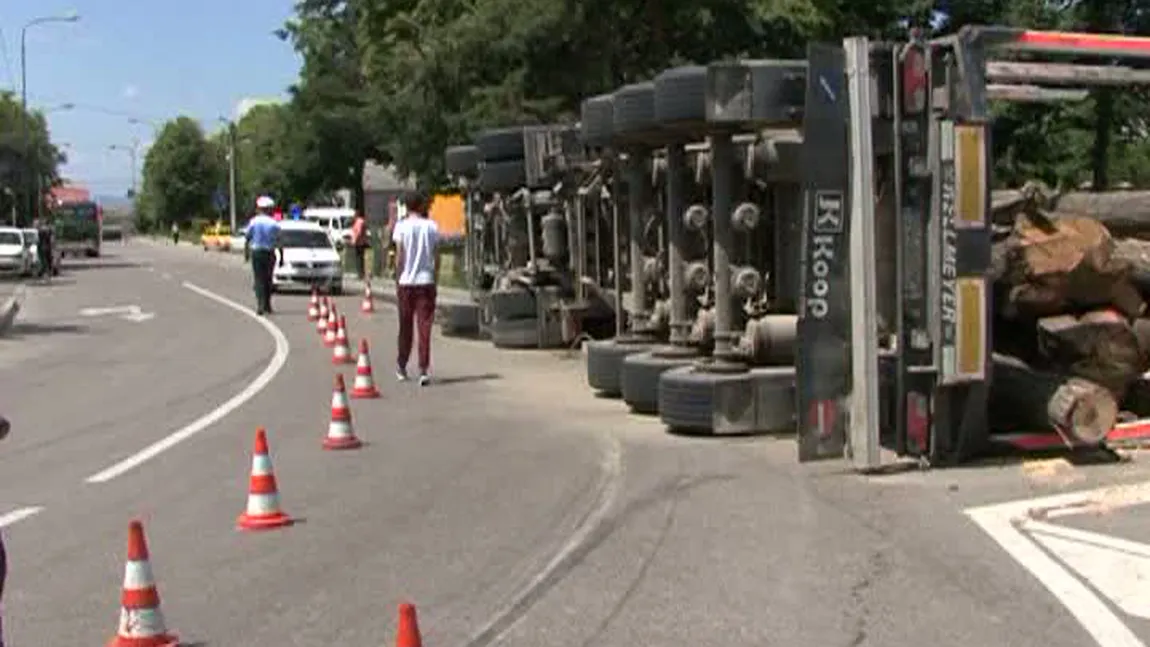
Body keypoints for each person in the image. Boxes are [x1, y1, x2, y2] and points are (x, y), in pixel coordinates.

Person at [392, 190, 440, 386]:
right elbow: (437, 256)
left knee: (405, 326)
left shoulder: (401, 227)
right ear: (421, 206)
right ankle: (423, 369)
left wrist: (397, 275)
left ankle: (402, 366)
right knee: (424, 327)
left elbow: (400, 256)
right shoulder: (431, 226)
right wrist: (434, 276)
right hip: (425, 281)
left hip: (406, 282)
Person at [245, 196, 282, 316]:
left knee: (259, 279)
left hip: (257, 253)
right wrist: (282, 256)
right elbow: (279, 241)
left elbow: (248, 238)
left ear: (259, 209)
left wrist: (246, 254)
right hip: (269, 253)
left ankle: (260, 305)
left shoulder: (253, 221)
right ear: (269, 209)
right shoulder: (274, 223)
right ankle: (267, 304)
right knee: (268, 279)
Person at [350, 211, 369, 280]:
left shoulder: (359, 222)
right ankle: (361, 273)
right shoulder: (360, 221)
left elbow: (358, 232)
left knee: (359, 258)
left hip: (359, 243)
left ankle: (360, 274)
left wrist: (355, 240)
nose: (353, 216)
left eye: (354, 215)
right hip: (360, 242)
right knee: (360, 258)